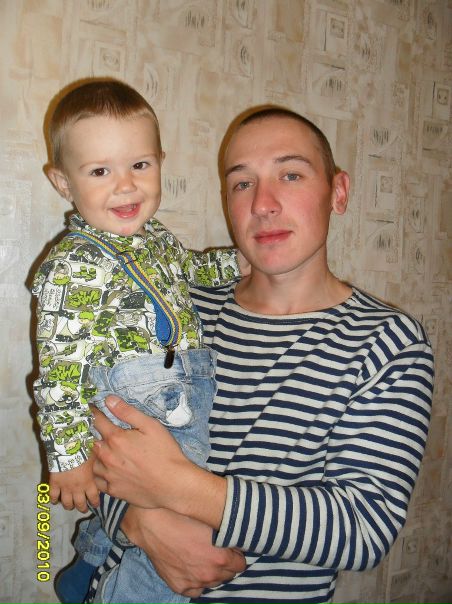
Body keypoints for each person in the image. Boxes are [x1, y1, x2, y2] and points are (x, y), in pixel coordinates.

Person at [84, 106, 435, 604]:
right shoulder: (176, 310)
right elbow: (92, 438)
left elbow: (362, 528)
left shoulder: (387, 343)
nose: (263, 204)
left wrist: (178, 487)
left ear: (338, 192)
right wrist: (141, 522)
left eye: (290, 175)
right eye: (242, 183)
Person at [31, 78, 249, 604]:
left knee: (154, 507)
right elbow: (58, 372)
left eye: (140, 165)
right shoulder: (71, 265)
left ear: (161, 162)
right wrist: (67, 456)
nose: (125, 186)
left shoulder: (158, 241)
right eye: (100, 171)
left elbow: (191, 269)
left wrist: (235, 263)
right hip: (138, 402)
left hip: (181, 387)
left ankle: (86, 567)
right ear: (63, 182)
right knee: (178, 527)